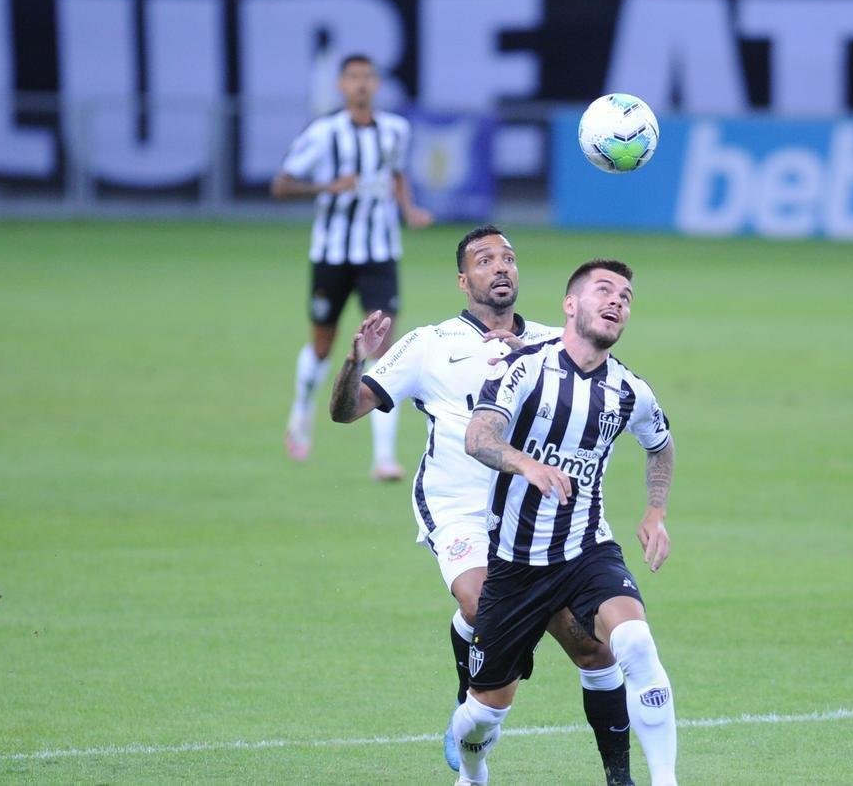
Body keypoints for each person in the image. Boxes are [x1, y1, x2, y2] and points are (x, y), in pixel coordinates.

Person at [329, 227, 636, 785]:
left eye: (509, 259)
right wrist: (355, 361)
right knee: (479, 605)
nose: (500, 268)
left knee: (593, 650)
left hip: (541, 518)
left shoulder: (552, 340)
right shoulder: (429, 343)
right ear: (462, 279)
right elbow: (347, 410)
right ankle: (472, 682)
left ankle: (620, 776)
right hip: (459, 506)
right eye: (485, 260)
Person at [454, 259, 678, 786]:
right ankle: (472, 770)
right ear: (570, 305)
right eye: (604, 290)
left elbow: (661, 446)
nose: (617, 301)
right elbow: (479, 437)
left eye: (625, 296)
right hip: (514, 563)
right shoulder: (525, 367)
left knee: (637, 645)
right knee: (484, 712)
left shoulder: (629, 391)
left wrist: (655, 509)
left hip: (586, 550)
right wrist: (525, 463)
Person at [272, 53, 433, 477]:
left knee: (383, 348)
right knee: (323, 345)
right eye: (353, 77)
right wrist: (328, 186)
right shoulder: (325, 133)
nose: (361, 84)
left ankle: (383, 457)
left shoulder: (396, 130)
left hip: (380, 253)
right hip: (332, 255)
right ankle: (302, 411)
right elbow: (281, 185)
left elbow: (397, 174)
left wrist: (409, 209)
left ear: (377, 85)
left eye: (368, 77)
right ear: (341, 86)